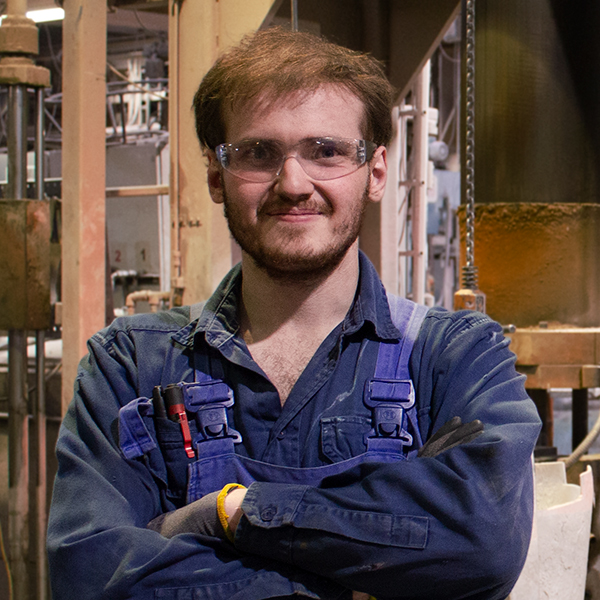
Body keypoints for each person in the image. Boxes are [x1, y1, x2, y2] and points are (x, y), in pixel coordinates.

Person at [47, 28, 541, 600]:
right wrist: (368, 567)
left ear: (376, 171)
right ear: (216, 176)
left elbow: (482, 541)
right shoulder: (130, 364)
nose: (293, 183)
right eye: (258, 153)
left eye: (326, 151)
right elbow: (89, 574)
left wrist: (233, 513)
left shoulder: (455, 358)